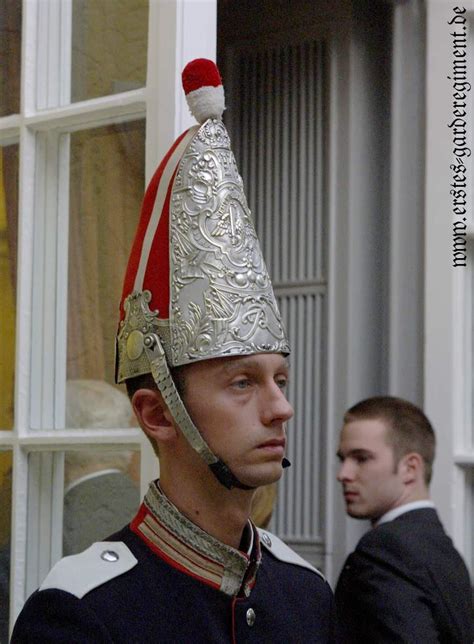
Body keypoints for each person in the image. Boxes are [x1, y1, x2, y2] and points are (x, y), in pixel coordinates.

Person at [12, 58, 335, 643]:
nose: (280, 408)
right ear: (157, 413)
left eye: (280, 380)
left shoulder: (306, 593)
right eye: (243, 383)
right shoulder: (83, 614)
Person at [335, 395, 473, 643]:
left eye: (362, 458)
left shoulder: (383, 550)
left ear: (410, 468)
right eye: (342, 459)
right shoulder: (448, 555)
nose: (343, 474)